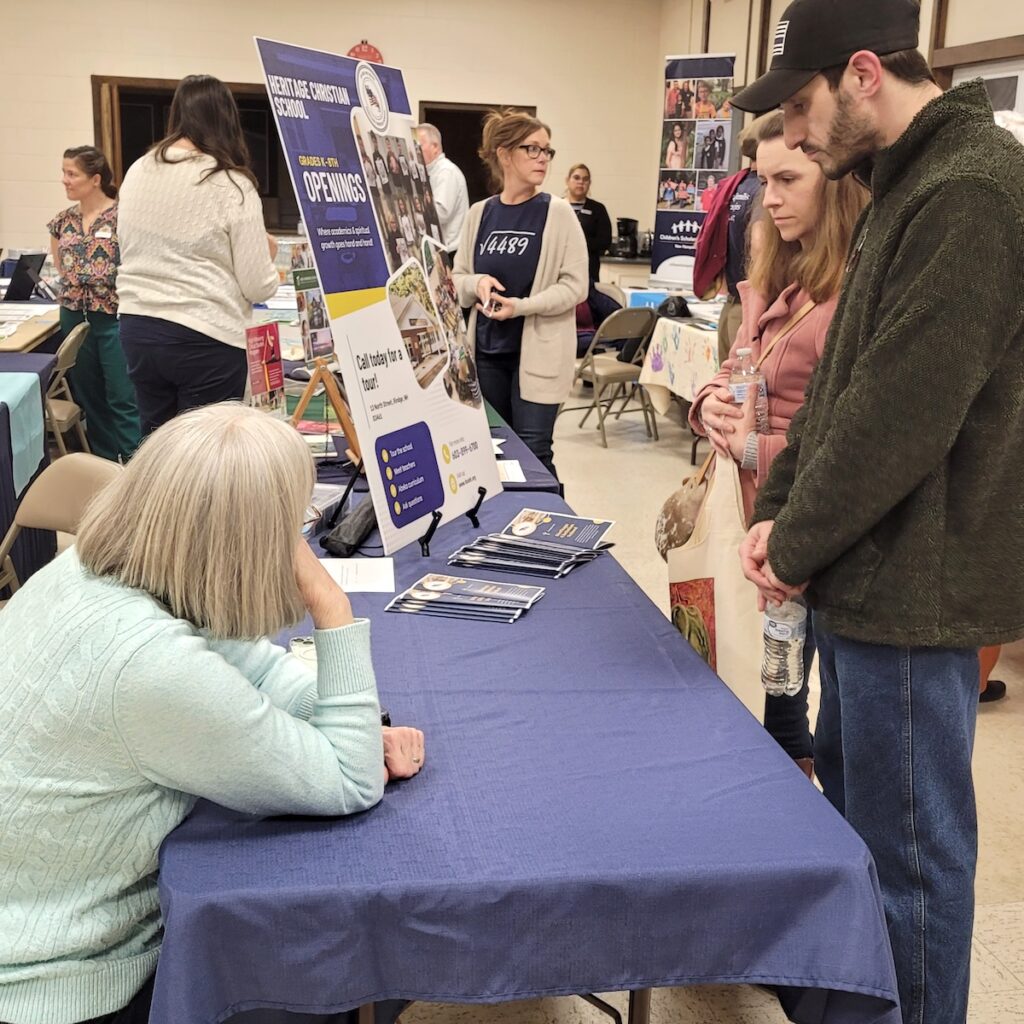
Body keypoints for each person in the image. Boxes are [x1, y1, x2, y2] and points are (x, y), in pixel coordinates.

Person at [731, 2, 1024, 1021]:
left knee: (910, 861)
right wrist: (777, 515)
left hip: (913, 590)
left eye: (802, 111)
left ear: (862, 73)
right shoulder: (902, 186)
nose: (795, 138)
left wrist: (798, 539)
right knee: (857, 836)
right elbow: (840, 394)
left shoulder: (974, 190)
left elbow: (902, 417)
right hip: (861, 579)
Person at [0, 402, 425, 1024]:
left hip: (30, 925)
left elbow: (249, 664)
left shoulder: (87, 572)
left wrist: (347, 722)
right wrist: (332, 607)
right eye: (292, 526)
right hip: (56, 980)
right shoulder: (152, 668)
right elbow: (352, 781)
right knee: (343, 960)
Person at [689, 110, 866, 777]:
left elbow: (850, 436)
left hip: (808, 531)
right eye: (763, 181)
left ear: (837, 182)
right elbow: (735, 364)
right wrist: (708, 406)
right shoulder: (785, 276)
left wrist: (755, 447)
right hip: (759, 518)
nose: (770, 198)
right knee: (773, 690)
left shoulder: (849, 297)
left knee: (798, 691)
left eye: (787, 178)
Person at [116, 75, 279, 436]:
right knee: (206, 458)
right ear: (227, 119)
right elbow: (257, 285)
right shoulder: (231, 183)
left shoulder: (139, 170)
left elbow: (127, 244)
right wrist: (270, 255)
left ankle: (151, 497)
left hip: (138, 325)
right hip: (206, 334)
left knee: (156, 447)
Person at [452, 109, 587, 477]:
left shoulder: (557, 213)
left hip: (539, 358)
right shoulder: (480, 214)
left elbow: (576, 286)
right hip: (487, 353)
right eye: (533, 149)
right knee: (495, 454)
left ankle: (549, 533)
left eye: (547, 150)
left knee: (534, 455)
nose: (543, 158)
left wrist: (522, 307)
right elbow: (458, 277)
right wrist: (476, 282)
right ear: (504, 153)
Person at [47, 146, 141, 463]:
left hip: (114, 317)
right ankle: (102, 463)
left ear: (96, 179)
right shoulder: (62, 222)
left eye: (72, 173)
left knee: (122, 395)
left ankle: (133, 464)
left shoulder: (124, 217)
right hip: (74, 316)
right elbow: (60, 269)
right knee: (90, 397)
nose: (65, 180)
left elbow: (135, 265)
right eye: (64, 172)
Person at [717, 117, 767, 361]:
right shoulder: (762, 188)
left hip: (731, 301)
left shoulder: (736, 186)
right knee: (740, 391)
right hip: (749, 304)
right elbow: (759, 243)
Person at [415, 123, 470, 257]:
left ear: (435, 147)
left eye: (419, 145)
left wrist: (414, 210)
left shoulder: (446, 172)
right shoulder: (430, 172)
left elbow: (440, 214)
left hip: (450, 253)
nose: (416, 150)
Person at [564, 163, 613, 283]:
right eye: (576, 178)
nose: (581, 182)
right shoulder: (557, 206)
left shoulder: (598, 209)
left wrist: (577, 242)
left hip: (588, 272)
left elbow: (604, 241)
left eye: (585, 179)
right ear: (567, 180)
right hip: (561, 271)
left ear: (589, 183)